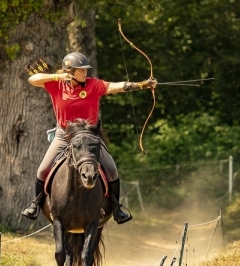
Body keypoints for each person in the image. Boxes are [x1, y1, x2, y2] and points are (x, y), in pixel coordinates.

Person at [21, 52, 157, 224]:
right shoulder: (57, 85)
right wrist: (57, 76)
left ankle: (116, 208)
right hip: (65, 136)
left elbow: (116, 86)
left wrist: (142, 85)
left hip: (90, 137)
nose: (85, 73)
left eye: (86, 70)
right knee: (42, 170)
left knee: (112, 170)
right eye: (81, 70)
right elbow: (33, 79)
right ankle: (36, 204)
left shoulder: (93, 85)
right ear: (69, 71)